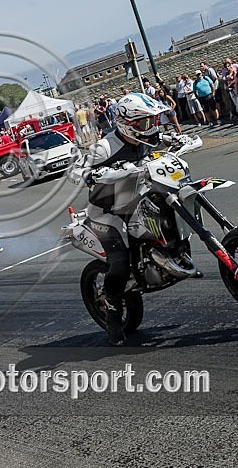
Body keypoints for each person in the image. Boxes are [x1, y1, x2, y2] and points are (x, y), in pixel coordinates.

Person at [68, 93, 189, 346]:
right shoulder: (104, 147)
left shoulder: (147, 136)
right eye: (145, 123)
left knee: (166, 204)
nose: (151, 127)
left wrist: (180, 139)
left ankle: (170, 253)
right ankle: (113, 315)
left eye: (153, 121)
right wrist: (91, 175)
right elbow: (75, 168)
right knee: (120, 263)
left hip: (135, 196)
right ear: (126, 124)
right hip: (106, 209)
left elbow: (164, 137)